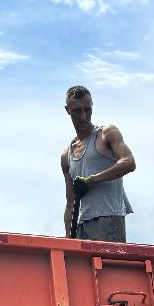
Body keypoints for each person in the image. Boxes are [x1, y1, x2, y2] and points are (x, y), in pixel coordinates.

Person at [61, 85, 136, 241]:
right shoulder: (66, 154)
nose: (83, 116)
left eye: (87, 110)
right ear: (67, 110)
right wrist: (68, 241)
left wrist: (91, 180)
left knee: (107, 266)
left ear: (92, 106)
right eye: (77, 111)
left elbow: (129, 162)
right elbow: (70, 203)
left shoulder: (106, 134)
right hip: (81, 223)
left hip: (108, 218)